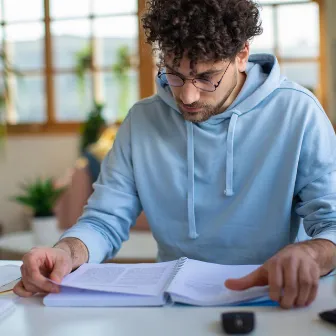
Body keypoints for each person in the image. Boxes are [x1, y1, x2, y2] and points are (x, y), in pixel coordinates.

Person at [15, 0, 336, 309]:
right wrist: (66, 252)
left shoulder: (297, 111)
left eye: (206, 77)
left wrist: (309, 254)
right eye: (174, 73)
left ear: (242, 56)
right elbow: (103, 221)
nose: (187, 95)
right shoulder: (142, 120)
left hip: (275, 299)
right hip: (171, 303)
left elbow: (332, 226)